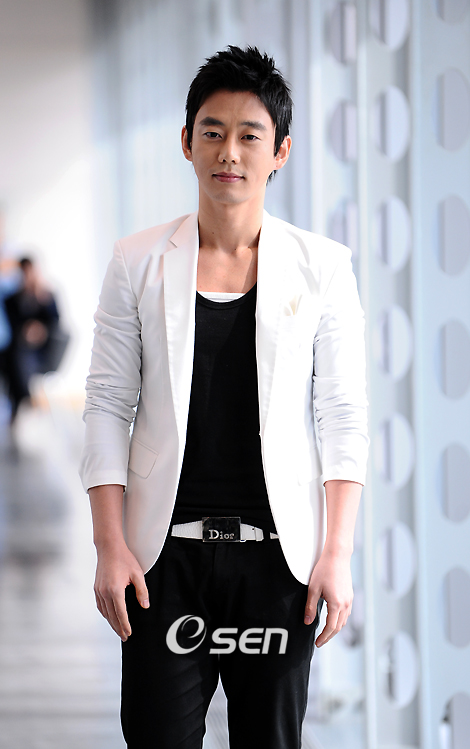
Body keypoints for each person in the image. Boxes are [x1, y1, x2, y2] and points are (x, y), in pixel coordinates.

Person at [79, 46, 369, 749]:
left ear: (281, 151)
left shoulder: (323, 268)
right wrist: (109, 545)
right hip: (162, 561)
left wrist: (337, 552)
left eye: (249, 135)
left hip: (278, 560)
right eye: (212, 132)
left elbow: (343, 414)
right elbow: (108, 404)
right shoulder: (137, 261)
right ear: (187, 142)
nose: (229, 152)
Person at [4, 257, 60, 422]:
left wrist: (40, 330)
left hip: (43, 353)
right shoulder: (12, 300)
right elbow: (13, 327)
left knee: (16, 360)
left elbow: (56, 325)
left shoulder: (47, 297)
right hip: (20, 350)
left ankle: (22, 403)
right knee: (14, 357)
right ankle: (25, 401)